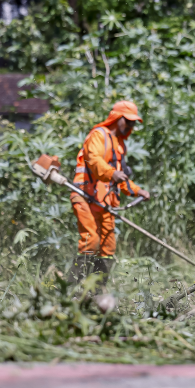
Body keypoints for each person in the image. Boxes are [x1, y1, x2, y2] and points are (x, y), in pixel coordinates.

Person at [70, 100, 150, 283]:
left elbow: (120, 178)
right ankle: (73, 288)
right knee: (91, 241)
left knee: (107, 247)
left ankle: (97, 290)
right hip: (85, 195)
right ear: (117, 118)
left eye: (133, 123)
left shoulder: (120, 145)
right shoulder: (98, 135)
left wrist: (138, 191)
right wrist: (111, 173)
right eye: (128, 121)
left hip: (104, 201)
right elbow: (94, 161)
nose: (131, 126)